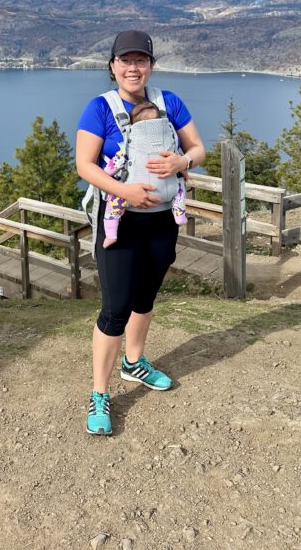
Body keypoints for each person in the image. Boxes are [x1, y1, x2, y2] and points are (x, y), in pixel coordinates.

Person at [76, 30, 206, 435]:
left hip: (163, 221)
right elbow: (86, 165)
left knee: (145, 297)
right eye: (125, 61)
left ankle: (134, 364)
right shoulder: (99, 109)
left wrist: (181, 162)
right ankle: (100, 394)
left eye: (141, 60)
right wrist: (125, 190)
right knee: (115, 308)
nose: (134, 68)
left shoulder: (170, 103)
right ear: (112, 66)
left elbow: (199, 149)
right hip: (120, 223)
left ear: (150, 65)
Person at [102, 100, 187, 249]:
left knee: (113, 201)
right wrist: (184, 168)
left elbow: (116, 162)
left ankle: (110, 234)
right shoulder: (167, 141)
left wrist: (105, 174)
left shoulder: (131, 143)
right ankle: (179, 214)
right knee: (179, 188)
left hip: (132, 193)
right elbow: (179, 158)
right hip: (167, 191)